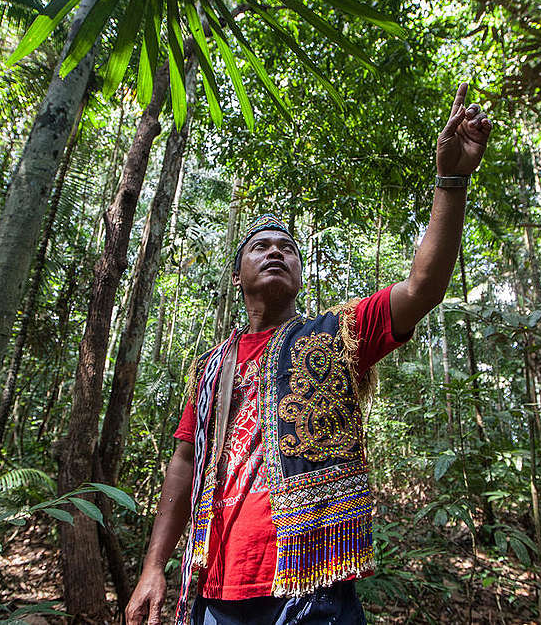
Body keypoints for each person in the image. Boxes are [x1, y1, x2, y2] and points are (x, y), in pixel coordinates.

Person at [125, 83, 493, 625]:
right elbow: (184, 463)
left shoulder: (336, 332)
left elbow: (423, 287)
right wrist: (153, 566)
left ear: (300, 274)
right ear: (237, 275)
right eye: (261, 246)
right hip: (214, 588)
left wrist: (452, 181)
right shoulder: (210, 367)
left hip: (312, 584)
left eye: (288, 248)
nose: (275, 251)